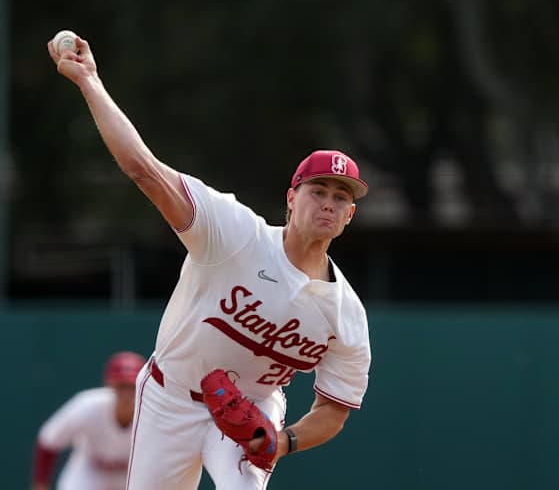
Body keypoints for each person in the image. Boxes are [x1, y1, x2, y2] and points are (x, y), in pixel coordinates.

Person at [47, 32, 372, 490]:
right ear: (291, 198)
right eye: (318, 191)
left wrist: (281, 441)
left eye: (341, 198)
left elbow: (334, 411)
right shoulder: (236, 234)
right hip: (170, 397)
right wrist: (89, 81)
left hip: (251, 407)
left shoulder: (347, 316)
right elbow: (146, 170)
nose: (328, 203)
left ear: (349, 215)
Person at [31, 351, 147, 490]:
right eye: (121, 386)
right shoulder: (87, 406)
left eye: (132, 387)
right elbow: (49, 440)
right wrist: (40, 486)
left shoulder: (152, 414)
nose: (127, 394)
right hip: (90, 472)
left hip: (131, 475)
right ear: (109, 384)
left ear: (142, 386)